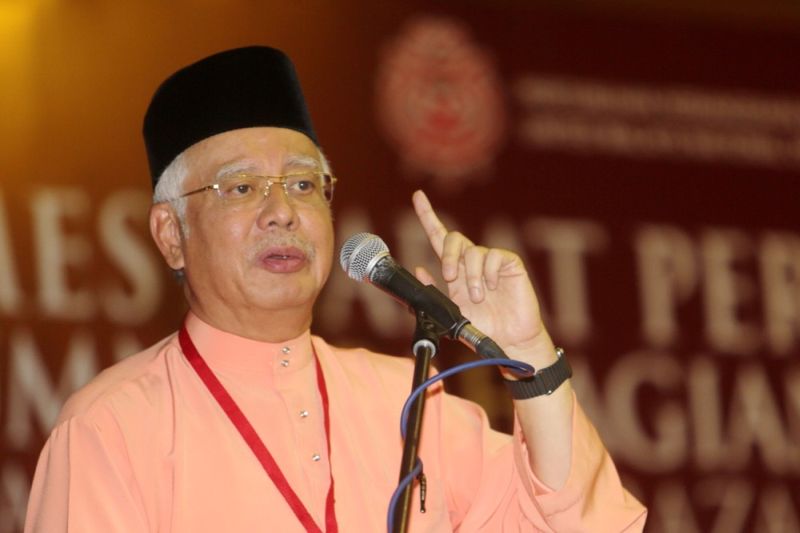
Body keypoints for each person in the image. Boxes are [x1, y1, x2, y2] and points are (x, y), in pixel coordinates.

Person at [24, 46, 646, 532]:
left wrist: (528, 349)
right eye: (241, 189)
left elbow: (588, 524)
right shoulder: (109, 431)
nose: (281, 212)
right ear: (170, 236)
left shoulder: (415, 407)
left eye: (302, 185)